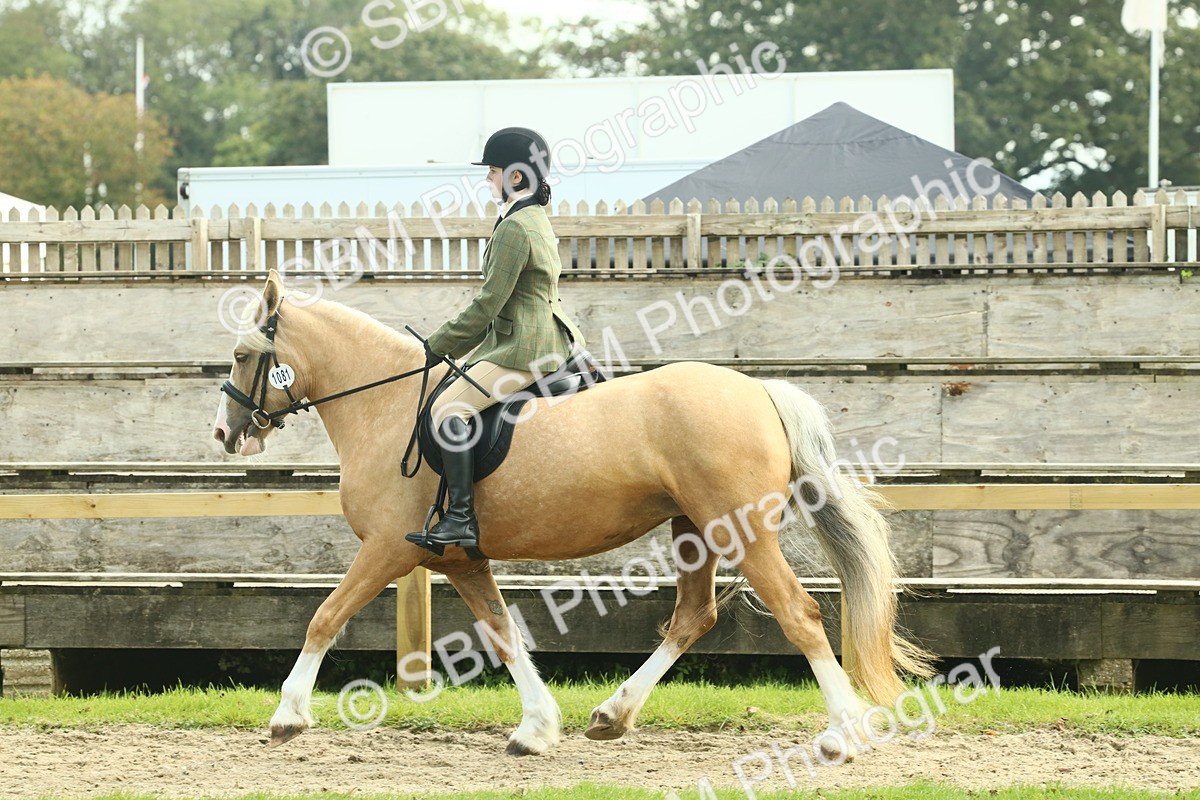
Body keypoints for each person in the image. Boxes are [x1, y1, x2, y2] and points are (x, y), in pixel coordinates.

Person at [406, 127, 586, 556]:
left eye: (493, 172)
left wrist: (438, 345)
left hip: (526, 346)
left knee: (449, 408)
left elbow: (488, 305)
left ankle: (461, 518)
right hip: (543, 335)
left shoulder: (515, 228)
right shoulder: (530, 218)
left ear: (517, 178)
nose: (487, 180)